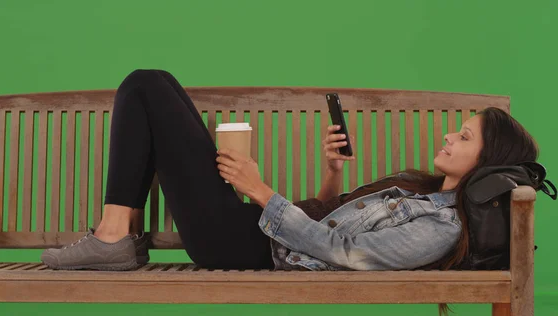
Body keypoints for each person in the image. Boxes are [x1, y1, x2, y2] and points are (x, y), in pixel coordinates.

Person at [41, 69, 539, 275]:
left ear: (487, 161)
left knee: (145, 86)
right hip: (250, 230)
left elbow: (342, 253)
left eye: (465, 137)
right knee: (159, 85)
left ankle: (112, 239)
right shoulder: (424, 194)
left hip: (246, 245)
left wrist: (259, 191)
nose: (450, 137)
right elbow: (330, 222)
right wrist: (331, 177)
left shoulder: (443, 226)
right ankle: (116, 238)